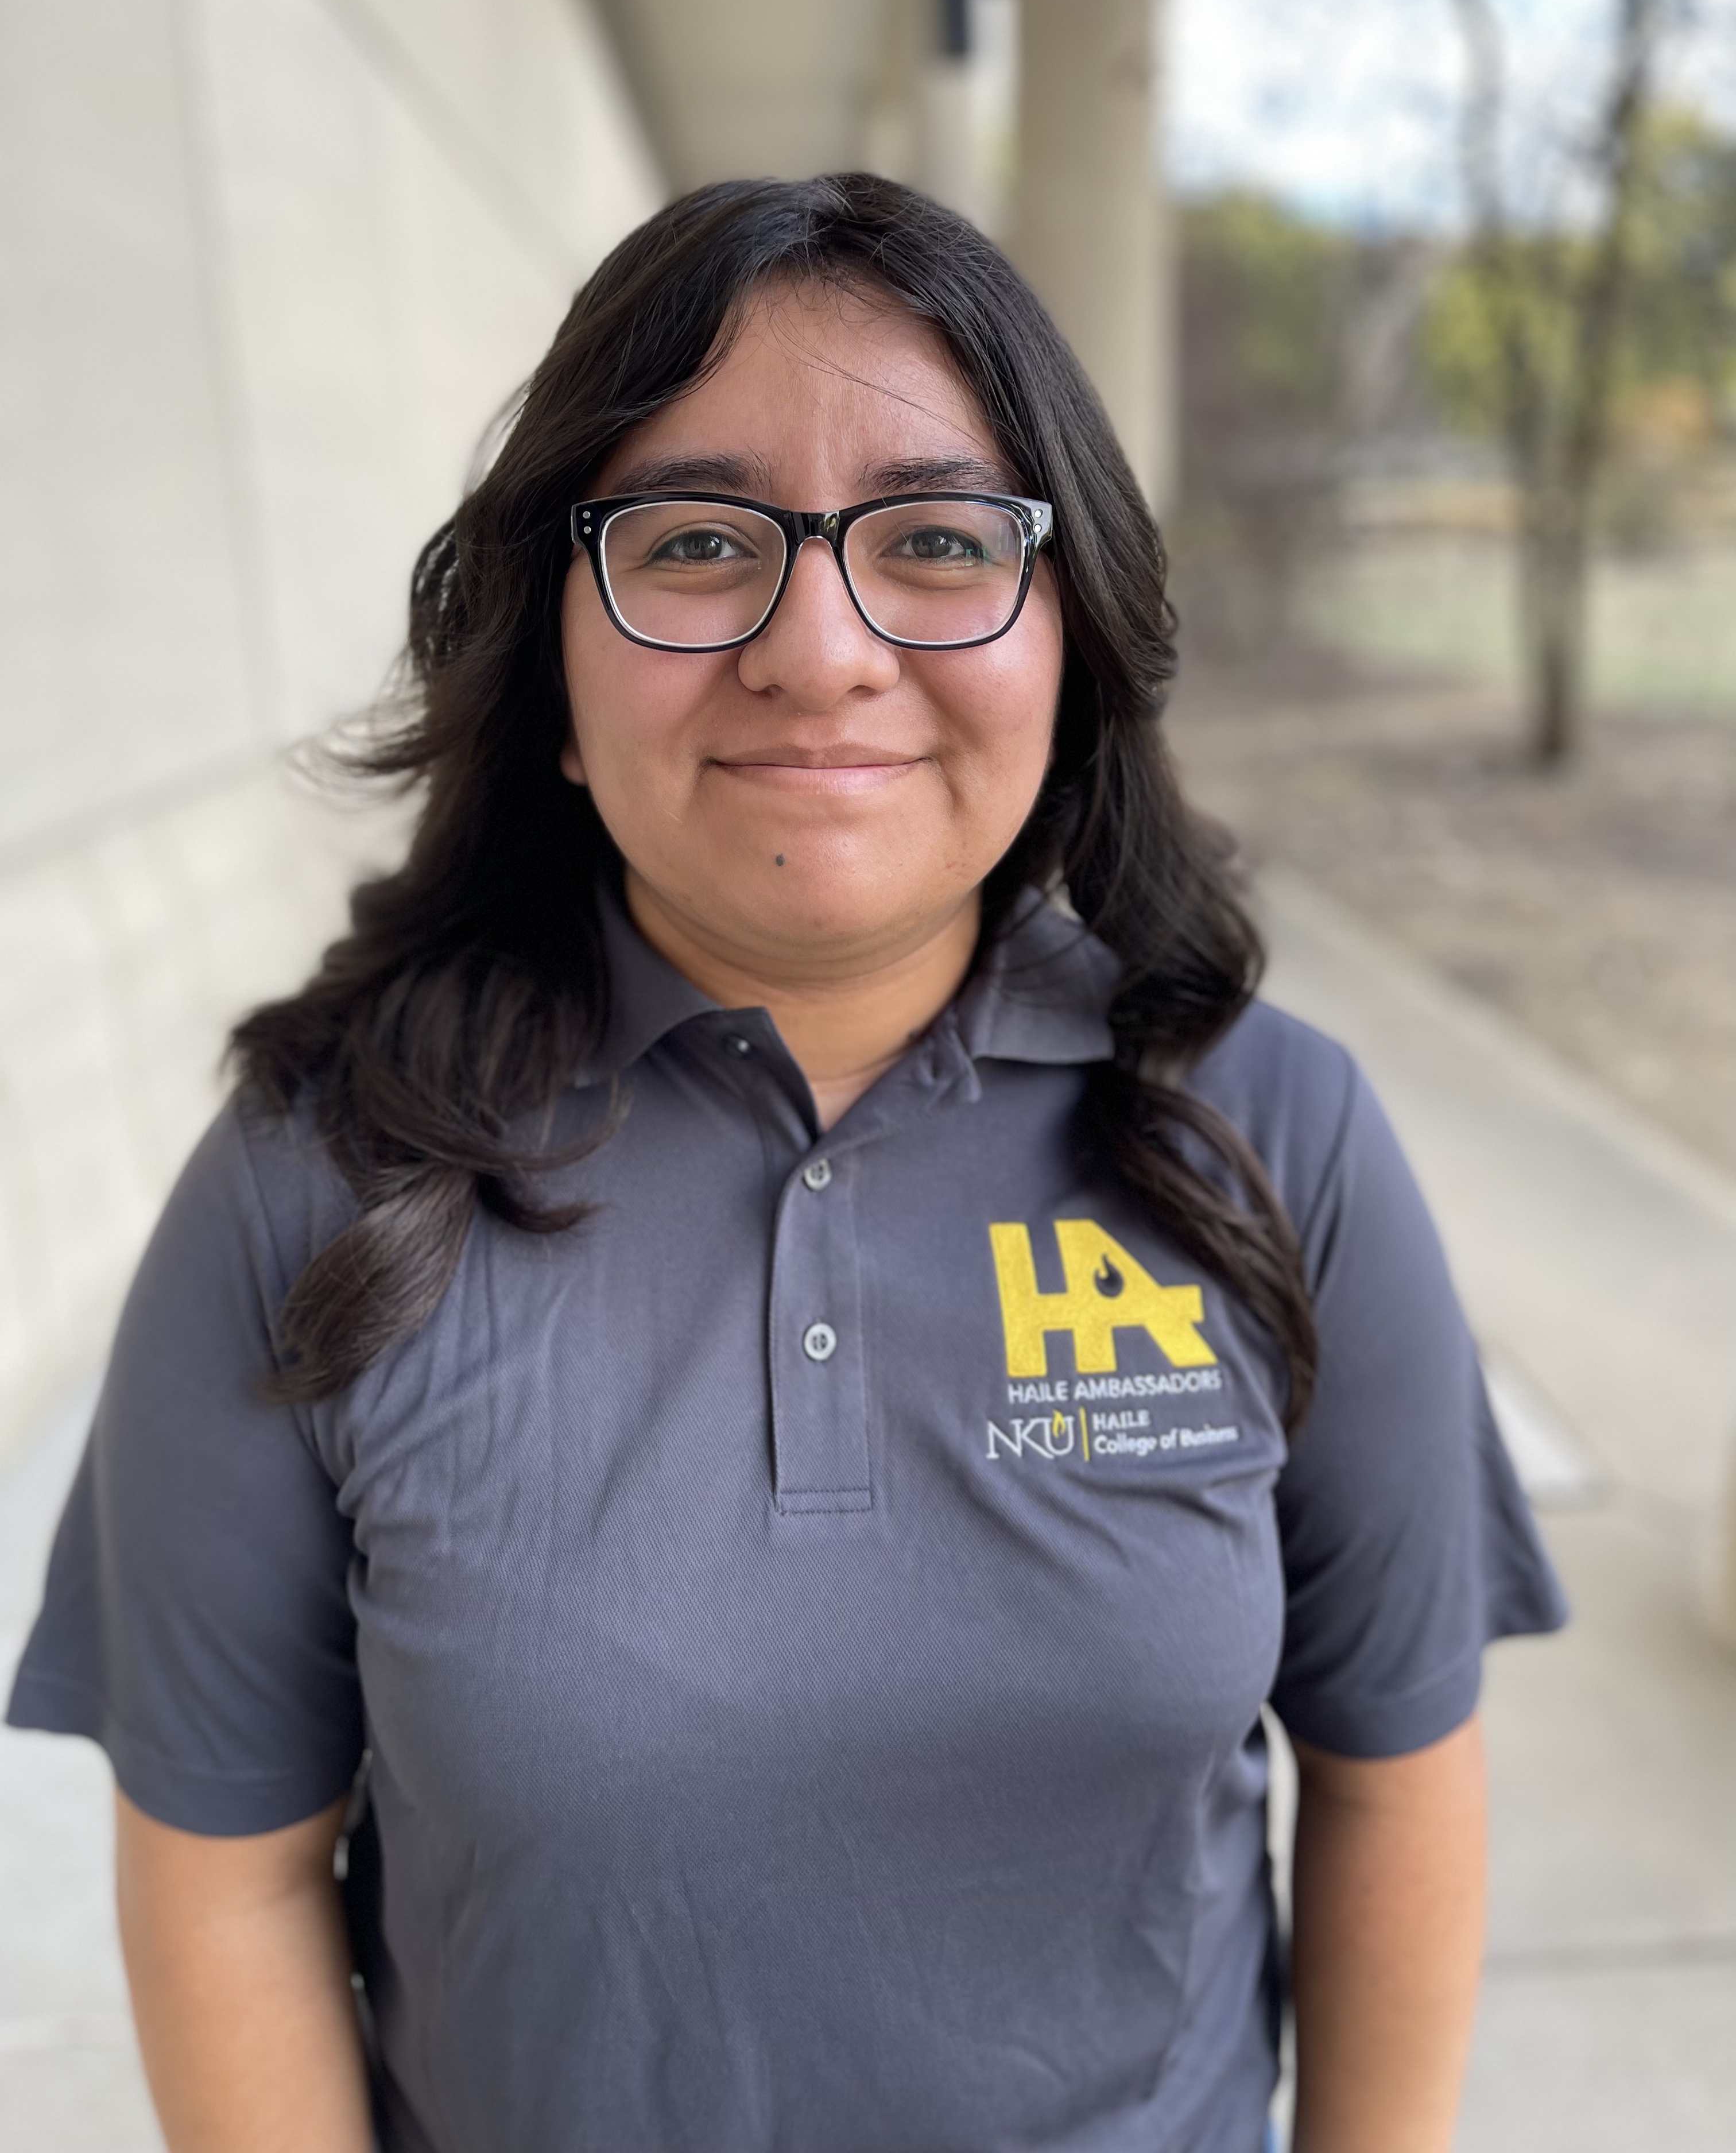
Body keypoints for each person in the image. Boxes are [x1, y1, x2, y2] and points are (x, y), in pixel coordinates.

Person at [7, 174, 1564, 2153]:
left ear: (1071, 641)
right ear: (552, 678)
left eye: (937, 541)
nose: (818, 651)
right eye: (693, 543)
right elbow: (226, 1880)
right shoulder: (313, 1185)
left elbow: (1396, 1770)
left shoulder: (1276, 1138)